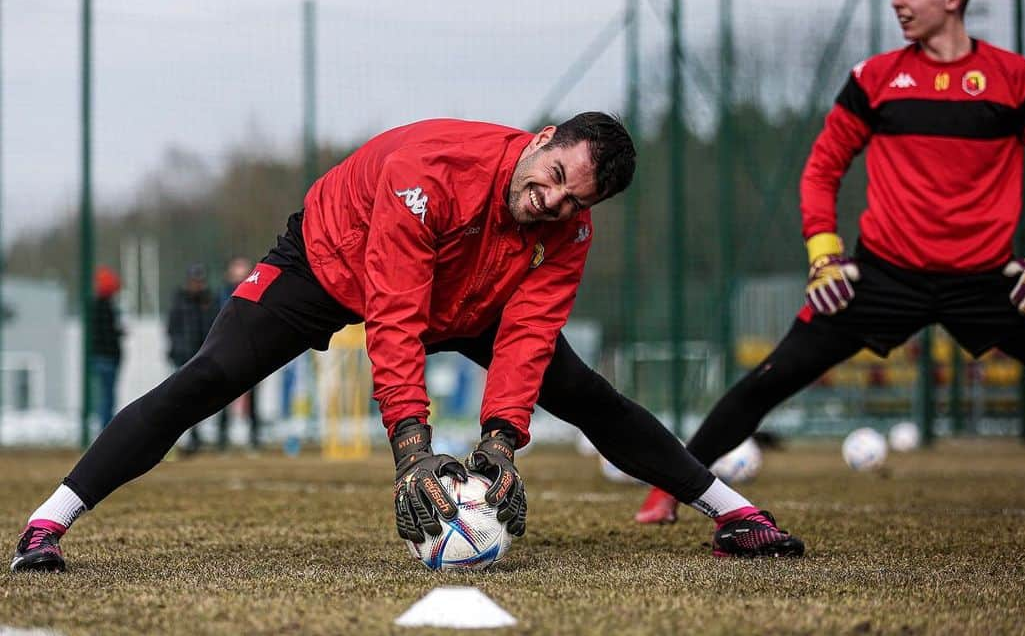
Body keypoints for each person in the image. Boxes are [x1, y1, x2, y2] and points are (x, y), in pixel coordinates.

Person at [11, 113, 804, 574]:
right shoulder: (431, 170)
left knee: (590, 395)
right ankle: (48, 522)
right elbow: (395, 312)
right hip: (333, 262)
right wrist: (412, 446)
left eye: (572, 196)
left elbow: (529, 334)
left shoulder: (567, 229)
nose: (551, 198)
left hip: (473, 295)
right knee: (208, 376)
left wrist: (499, 439)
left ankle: (735, 513)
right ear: (545, 136)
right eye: (555, 172)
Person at [636, 0, 1025, 524]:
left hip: (988, 282)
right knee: (769, 379)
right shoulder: (874, 78)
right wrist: (825, 257)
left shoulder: (1018, 79)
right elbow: (821, 170)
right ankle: (668, 491)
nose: (896, 1)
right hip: (881, 277)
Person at [166, 263, 216, 453]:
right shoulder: (180, 302)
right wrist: (176, 350)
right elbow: (172, 329)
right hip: (183, 356)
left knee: (196, 400)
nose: (197, 285)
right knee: (179, 399)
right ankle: (173, 438)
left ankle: (194, 438)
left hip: (201, 356)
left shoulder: (208, 302)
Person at [214, 256, 260, 449]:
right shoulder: (224, 296)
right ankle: (222, 436)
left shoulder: (256, 292)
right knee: (223, 395)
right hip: (228, 351)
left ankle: (254, 435)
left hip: (252, 351)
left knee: (252, 398)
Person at [90, 266, 124, 431]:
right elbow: (108, 334)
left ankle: (105, 430)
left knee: (105, 397)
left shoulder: (96, 306)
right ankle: (106, 431)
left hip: (101, 357)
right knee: (107, 398)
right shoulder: (106, 307)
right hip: (108, 357)